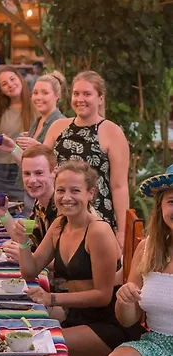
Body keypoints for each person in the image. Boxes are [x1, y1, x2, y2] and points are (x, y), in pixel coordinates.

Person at [14, 160, 142, 356]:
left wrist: (51, 298)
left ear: (90, 194)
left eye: (75, 190)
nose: (66, 198)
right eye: (60, 190)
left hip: (108, 324)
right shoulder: (59, 225)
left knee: (35, 347)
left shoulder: (98, 231)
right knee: (16, 336)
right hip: (76, 316)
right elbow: (30, 271)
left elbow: (102, 296)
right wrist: (23, 241)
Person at [95, 166, 173, 356]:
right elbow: (127, 320)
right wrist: (125, 299)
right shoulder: (148, 249)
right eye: (172, 201)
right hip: (154, 343)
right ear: (161, 207)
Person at [43, 71, 129, 248]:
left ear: (100, 98)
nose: (80, 99)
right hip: (60, 211)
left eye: (87, 94)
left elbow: (119, 186)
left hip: (97, 217)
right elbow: (40, 169)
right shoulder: (58, 127)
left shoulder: (112, 132)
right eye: (76, 93)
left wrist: (123, 232)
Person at [0, 143, 57, 262]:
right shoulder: (40, 203)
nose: (32, 180)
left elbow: (67, 264)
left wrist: (28, 258)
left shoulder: (63, 207)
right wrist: (3, 214)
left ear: (54, 172)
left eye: (39, 173)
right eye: (27, 173)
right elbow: (26, 241)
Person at [0, 67, 36, 214]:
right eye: (4, 84)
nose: (10, 85)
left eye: (12, 79)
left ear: (20, 79)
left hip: (23, 171)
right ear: (0, 91)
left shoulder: (36, 106)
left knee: (25, 216)